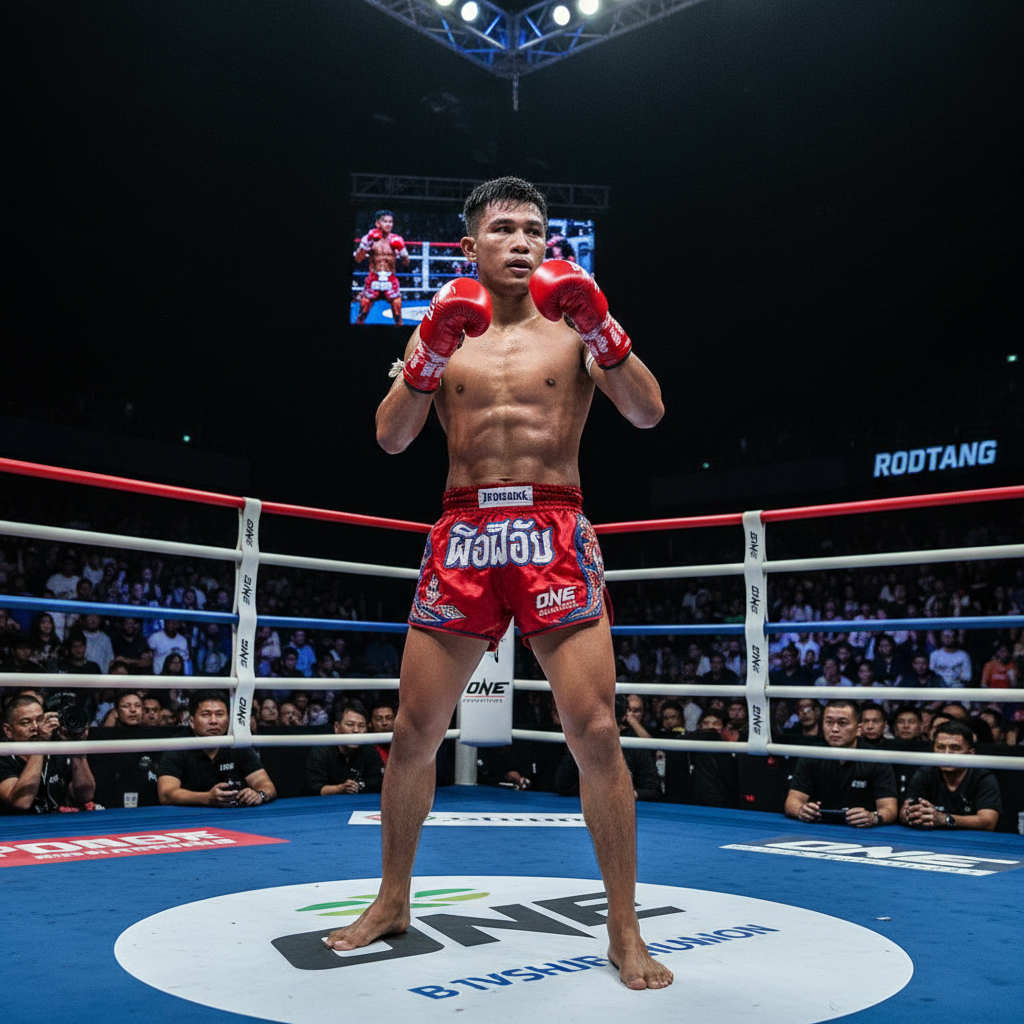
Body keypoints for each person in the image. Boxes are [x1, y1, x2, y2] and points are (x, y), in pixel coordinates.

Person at [324, 177, 670, 990]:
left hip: (552, 527)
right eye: (505, 228)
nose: (523, 242)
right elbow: (390, 438)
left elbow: (650, 413)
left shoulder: (577, 325)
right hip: (463, 529)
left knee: (596, 733)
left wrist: (603, 328)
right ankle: (393, 900)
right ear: (471, 245)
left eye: (536, 231)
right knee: (414, 732)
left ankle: (624, 930)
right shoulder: (442, 332)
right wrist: (431, 349)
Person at [784, 700, 898, 828]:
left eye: (842, 723)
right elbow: (792, 800)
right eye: (829, 722)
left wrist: (873, 817)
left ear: (858, 729)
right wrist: (800, 810)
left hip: (862, 832)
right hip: (819, 828)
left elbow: (890, 808)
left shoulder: (875, 758)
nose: (834, 729)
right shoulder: (812, 754)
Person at [156, 691, 276, 807]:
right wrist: (206, 798)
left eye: (219, 714)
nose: (213, 721)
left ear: (228, 719)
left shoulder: (237, 743)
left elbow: (265, 783)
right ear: (192, 721)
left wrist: (259, 795)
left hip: (233, 817)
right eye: (206, 715)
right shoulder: (178, 745)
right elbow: (166, 794)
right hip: (187, 819)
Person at [900, 719, 1001, 831]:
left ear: (971, 753)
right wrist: (910, 815)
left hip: (972, 843)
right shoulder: (925, 773)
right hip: (932, 840)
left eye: (955, 748)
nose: (946, 754)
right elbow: (905, 813)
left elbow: (988, 822)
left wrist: (945, 819)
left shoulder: (983, 778)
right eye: (941, 747)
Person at [0, 695, 96, 813]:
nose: (35, 727)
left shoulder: (55, 750)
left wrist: (77, 748)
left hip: (56, 826)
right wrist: (41, 744)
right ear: (8, 731)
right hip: (17, 828)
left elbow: (85, 795)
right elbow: (22, 802)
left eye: (40, 720)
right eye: (26, 723)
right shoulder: (3, 757)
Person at [305, 700, 386, 796]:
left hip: (360, 804)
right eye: (350, 725)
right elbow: (314, 788)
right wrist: (340, 788)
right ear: (337, 727)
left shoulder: (369, 749)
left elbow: (378, 782)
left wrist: (358, 786)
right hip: (327, 806)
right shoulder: (321, 751)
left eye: (361, 726)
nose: (356, 730)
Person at [353, 210, 411, 325]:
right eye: (385, 221)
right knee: (361, 316)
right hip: (373, 278)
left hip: (390, 278)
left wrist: (404, 255)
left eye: (391, 222)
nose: (389, 224)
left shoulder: (397, 239)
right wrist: (366, 245)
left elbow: (406, 263)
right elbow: (358, 260)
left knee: (398, 317)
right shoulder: (368, 239)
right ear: (378, 223)